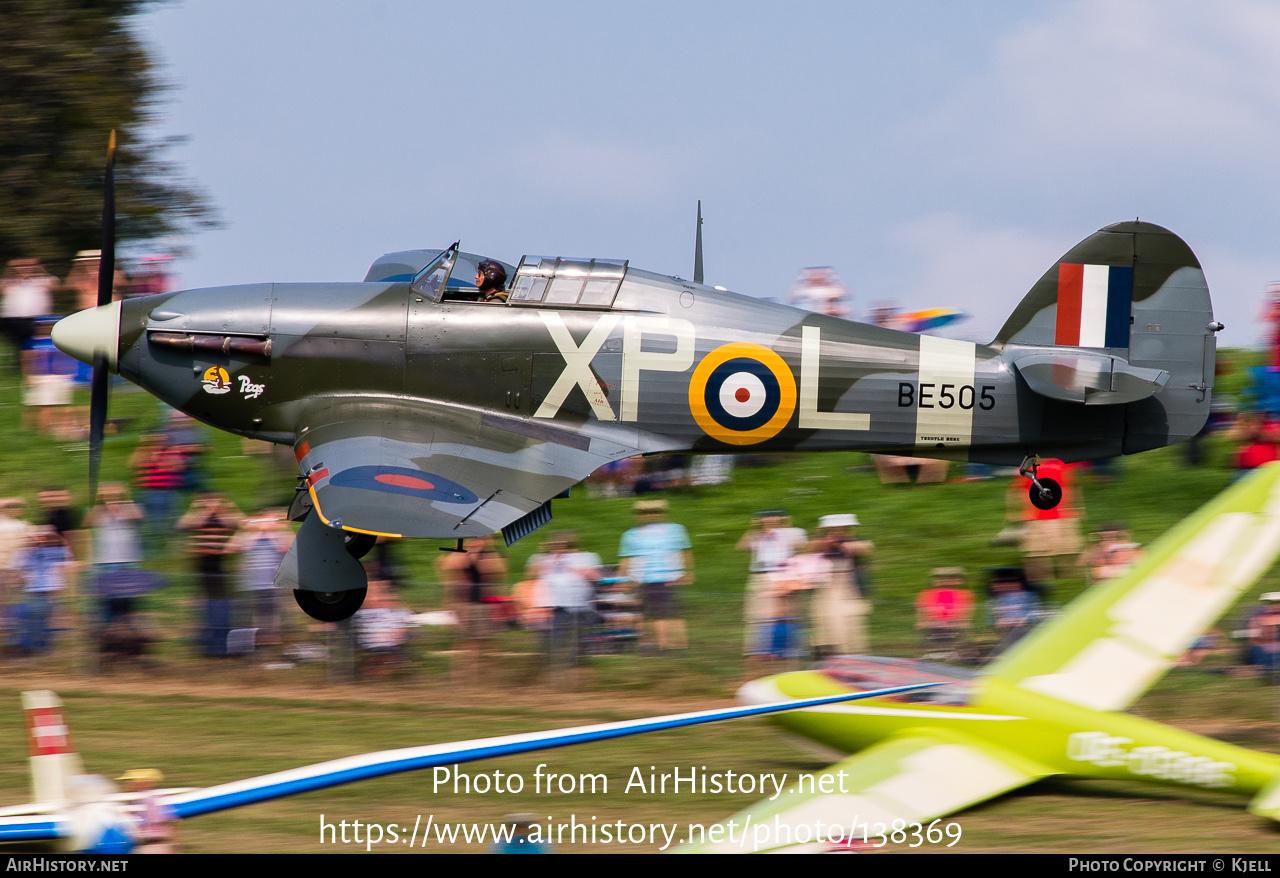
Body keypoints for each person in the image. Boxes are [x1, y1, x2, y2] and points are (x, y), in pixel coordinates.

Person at [618, 499, 692, 651]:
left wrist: (688, 572)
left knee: (668, 612)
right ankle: (647, 643)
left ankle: (669, 644)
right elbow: (626, 558)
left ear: (661, 513)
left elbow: (685, 551)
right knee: (640, 612)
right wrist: (623, 578)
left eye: (654, 512)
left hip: (668, 577)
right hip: (640, 578)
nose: (649, 515)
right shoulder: (630, 534)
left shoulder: (676, 529)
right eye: (644, 513)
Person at [175, 492, 242, 656]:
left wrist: (225, 507)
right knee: (205, 601)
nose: (212, 505)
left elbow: (240, 522)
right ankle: (207, 639)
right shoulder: (199, 516)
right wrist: (202, 509)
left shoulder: (223, 517)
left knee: (221, 600)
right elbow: (182, 524)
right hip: (203, 562)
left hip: (219, 561)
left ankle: (222, 637)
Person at [737, 511, 807, 662]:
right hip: (760, 575)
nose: (769, 519)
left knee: (785, 614)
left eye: (774, 516)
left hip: (784, 575)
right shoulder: (756, 534)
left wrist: (787, 527)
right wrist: (753, 528)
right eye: (765, 517)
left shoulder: (791, 533)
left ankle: (785, 650)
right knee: (758, 614)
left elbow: (802, 546)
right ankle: (758, 649)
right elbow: (741, 546)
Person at [808, 514, 874, 657]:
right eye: (832, 528)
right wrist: (826, 540)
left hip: (848, 591)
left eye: (840, 528)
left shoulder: (856, 542)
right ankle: (826, 654)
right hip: (825, 591)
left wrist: (839, 543)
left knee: (849, 626)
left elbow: (864, 548)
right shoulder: (820, 543)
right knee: (823, 622)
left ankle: (851, 654)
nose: (837, 531)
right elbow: (811, 547)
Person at [915, 567, 975, 647]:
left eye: (951, 578)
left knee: (953, 627)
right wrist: (922, 621)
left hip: (954, 623)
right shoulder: (925, 593)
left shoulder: (966, 594)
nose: (945, 581)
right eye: (940, 578)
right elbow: (920, 610)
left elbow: (967, 612)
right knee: (931, 628)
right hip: (933, 623)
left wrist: (961, 622)